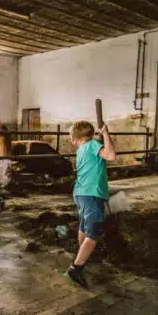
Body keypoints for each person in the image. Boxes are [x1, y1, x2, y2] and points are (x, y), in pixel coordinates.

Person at [64, 122, 116, 288]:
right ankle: (76, 269)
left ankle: (81, 254)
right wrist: (106, 134)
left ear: (76, 139)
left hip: (80, 193)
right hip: (92, 194)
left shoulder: (81, 150)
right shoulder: (93, 144)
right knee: (94, 232)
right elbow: (111, 155)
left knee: (84, 226)